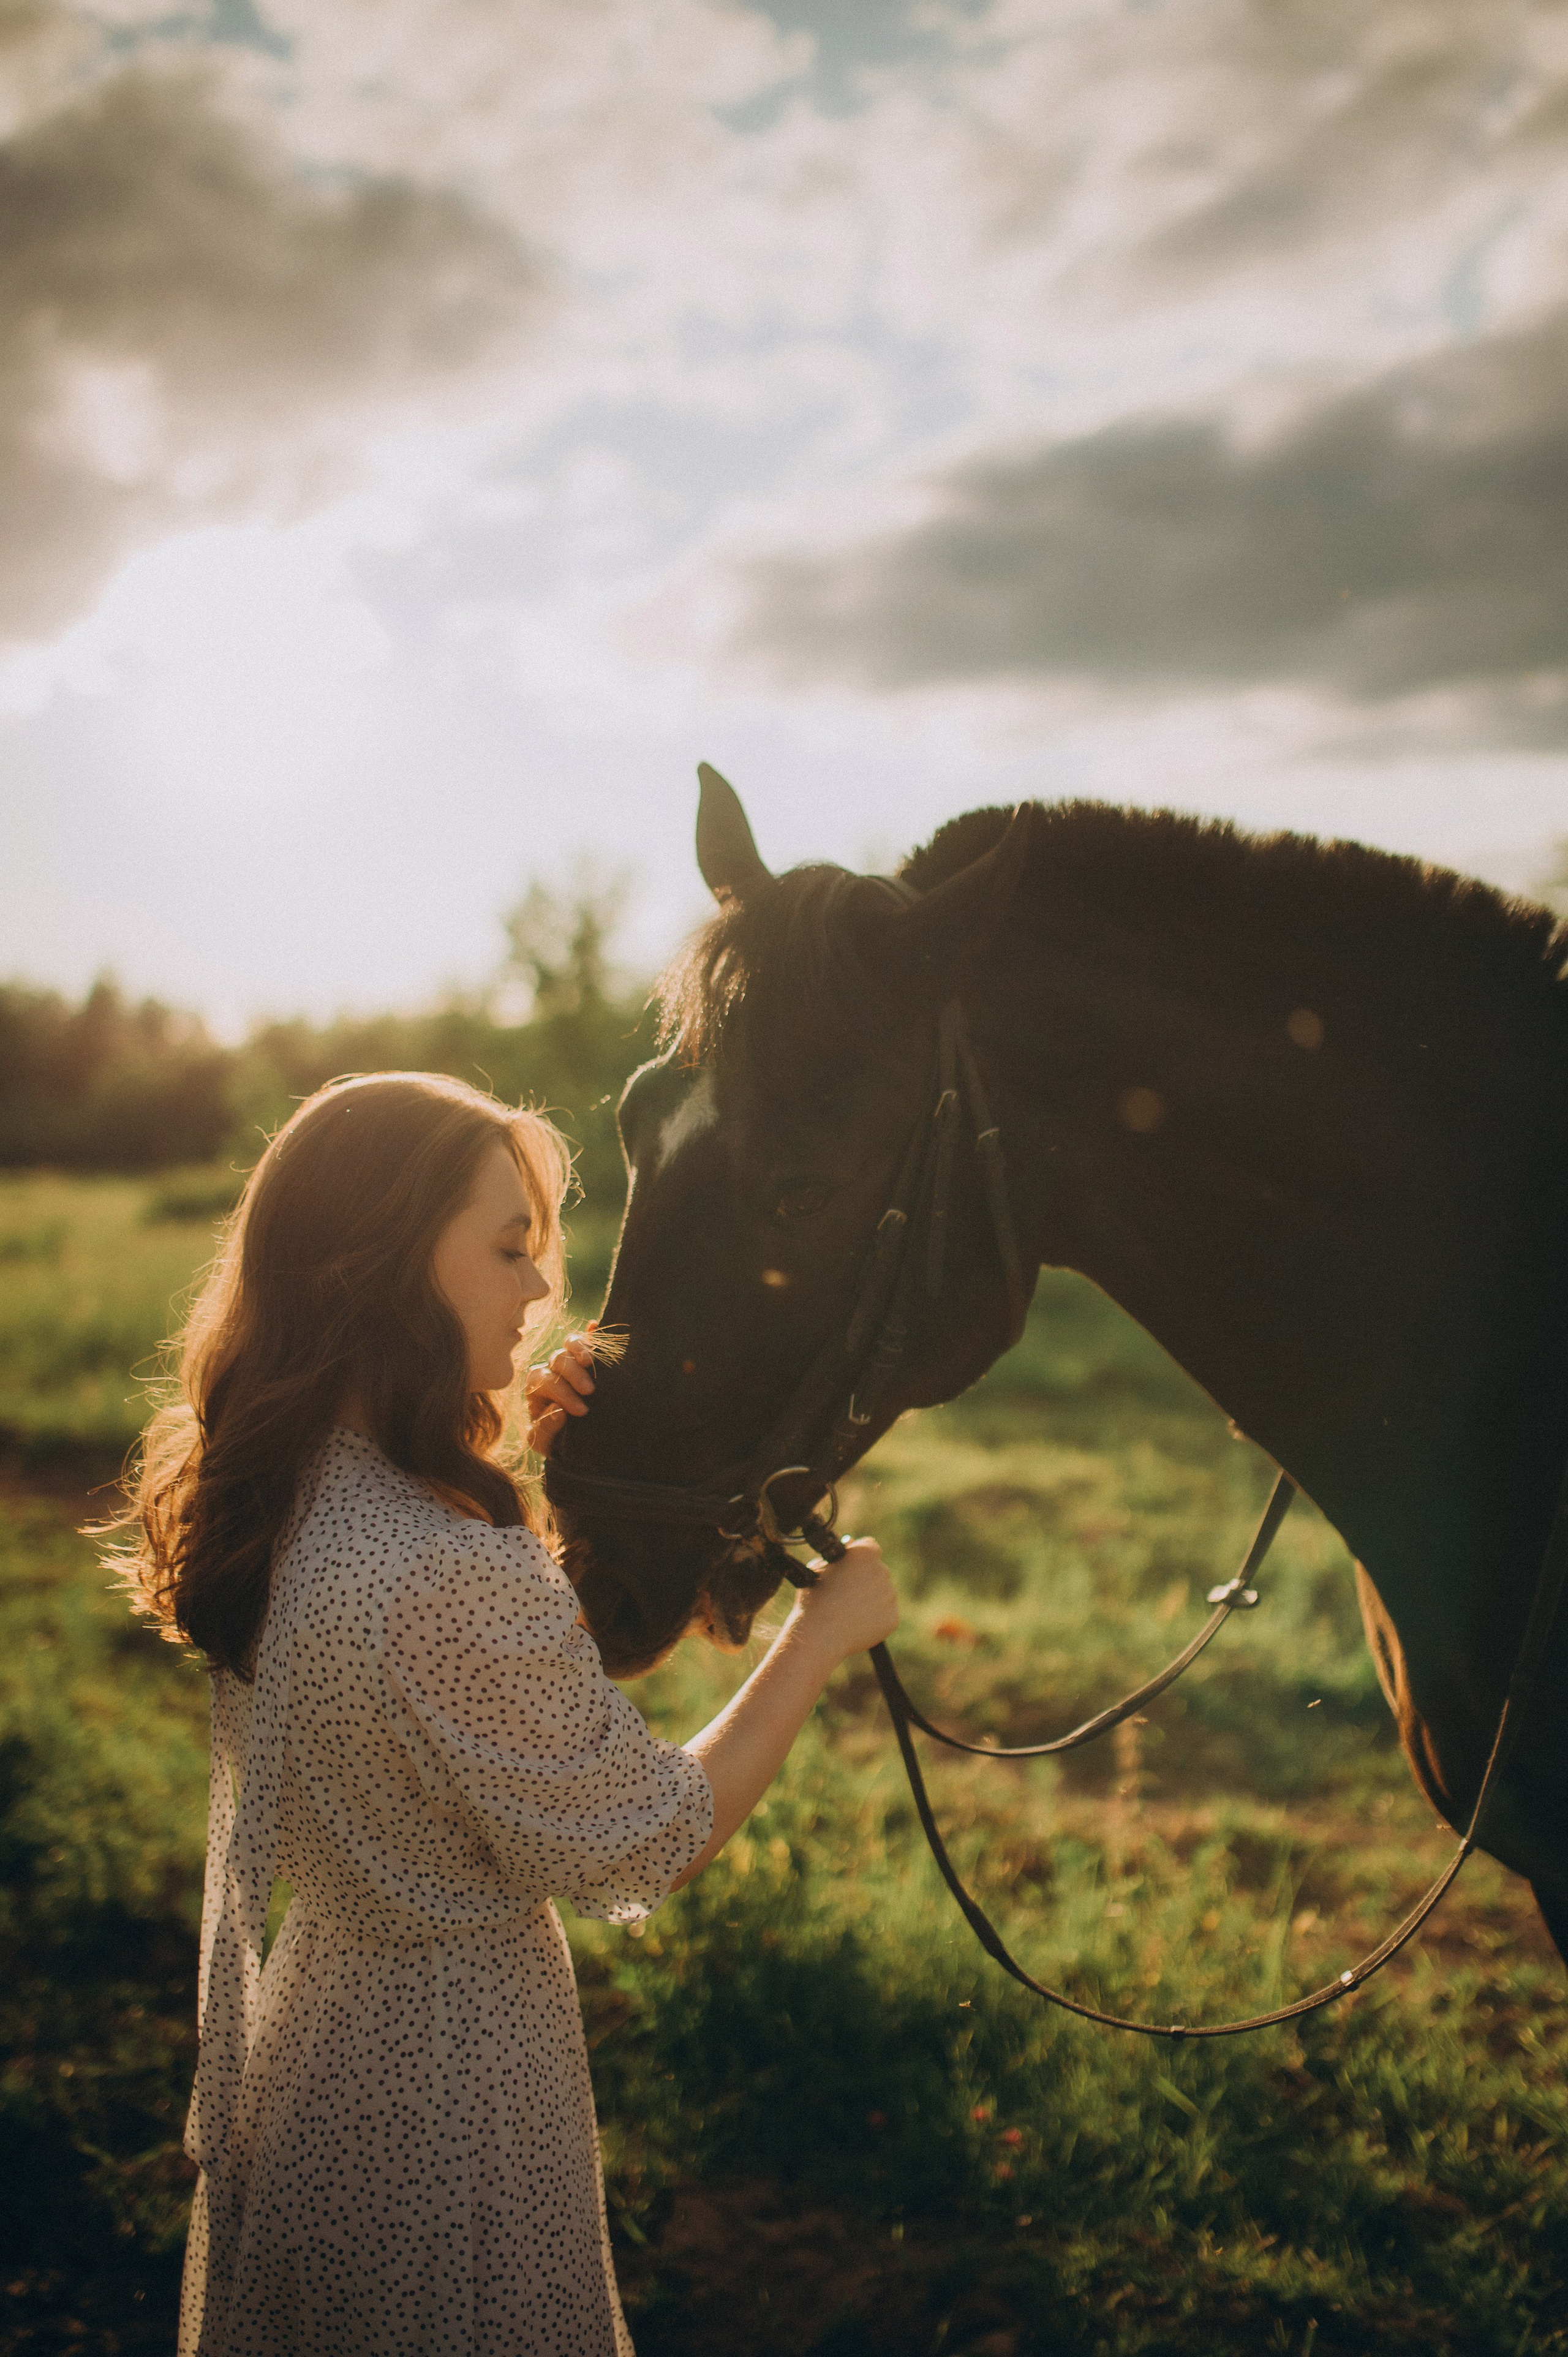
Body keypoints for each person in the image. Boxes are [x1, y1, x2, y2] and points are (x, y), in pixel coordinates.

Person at [119, 1070, 897, 2357]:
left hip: (322, 2056)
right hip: (451, 2093)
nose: (544, 1293)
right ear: (379, 1262)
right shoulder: (445, 1567)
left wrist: (511, 1455)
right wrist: (820, 1638)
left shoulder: (286, 1487)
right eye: (508, 1248)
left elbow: (442, 1691)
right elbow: (646, 1837)